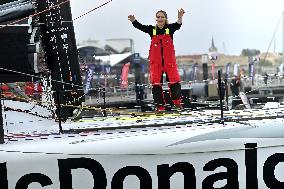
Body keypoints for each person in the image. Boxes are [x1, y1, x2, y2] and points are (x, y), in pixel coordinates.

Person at [128, 9, 185, 111]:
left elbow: (178, 25)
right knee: (156, 84)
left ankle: (177, 103)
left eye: (162, 17)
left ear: (165, 18)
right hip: (156, 62)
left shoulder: (169, 28)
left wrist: (180, 16)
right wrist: (133, 21)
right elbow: (141, 27)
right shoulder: (152, 30)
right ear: (156, 19)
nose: (160, 19)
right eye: (158, 17)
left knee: (174, 81)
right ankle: (160, 106)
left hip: (169, 62)